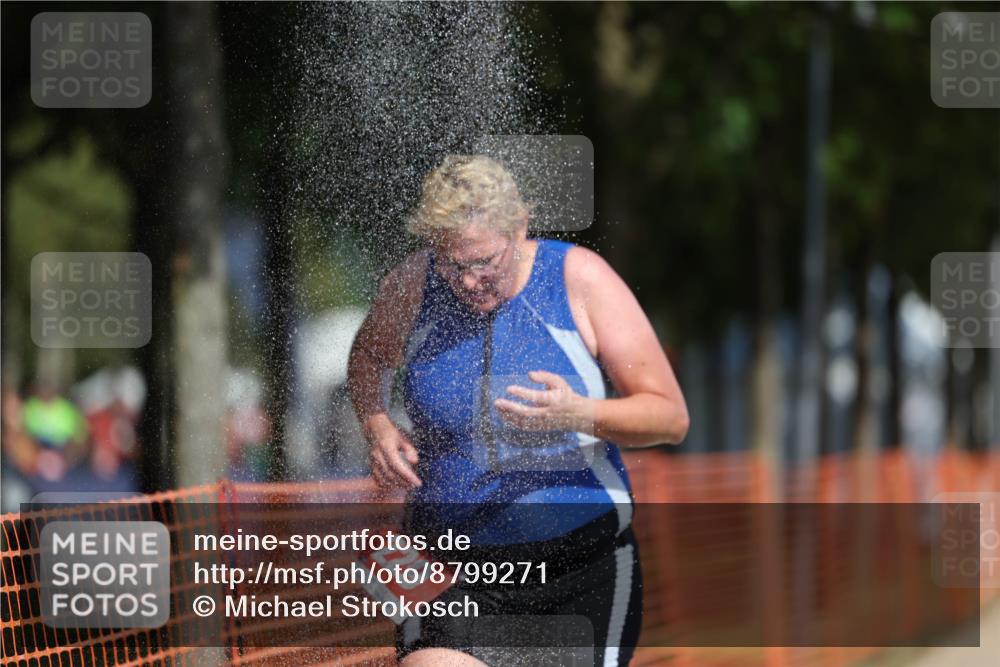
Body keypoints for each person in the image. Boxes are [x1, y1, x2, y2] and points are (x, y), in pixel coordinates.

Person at [347, 155, 689, 666]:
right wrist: (376, 423)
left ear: (520, 228)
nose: (467, 281)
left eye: (484, 261)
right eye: (452, 264)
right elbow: (367, 357)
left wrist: (579, 413)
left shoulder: (577, 278)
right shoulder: (415, 284)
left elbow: (669, 417)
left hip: (582, 569)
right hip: (460, 577)